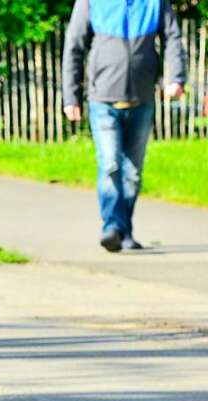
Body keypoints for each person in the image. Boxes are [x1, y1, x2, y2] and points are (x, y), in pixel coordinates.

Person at [63, 0, 188, 252]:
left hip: (142, 100)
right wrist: (70, 97)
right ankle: (111, 227)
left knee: (133, 173)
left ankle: (124, 230)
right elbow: (74, 46)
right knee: (110, 164)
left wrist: (176, 78)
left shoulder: (155, 2)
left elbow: (173, 37)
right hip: (103, 100)